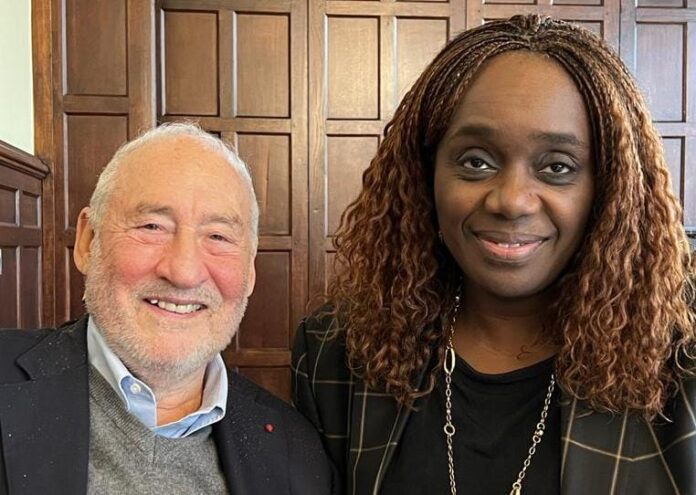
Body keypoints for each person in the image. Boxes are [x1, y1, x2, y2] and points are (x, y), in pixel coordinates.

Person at [292, 14, 696, 495]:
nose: (511, 200)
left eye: (557, 167)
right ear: (426, 176)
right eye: (476, 161)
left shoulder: (682, 359)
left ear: (609, 191)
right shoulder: (338, 351)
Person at [0, 123, 335, 495]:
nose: (184, 272)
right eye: (152, 226)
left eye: (218, 236)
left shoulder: (299, 454)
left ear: (250, 270)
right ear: (87, 241)